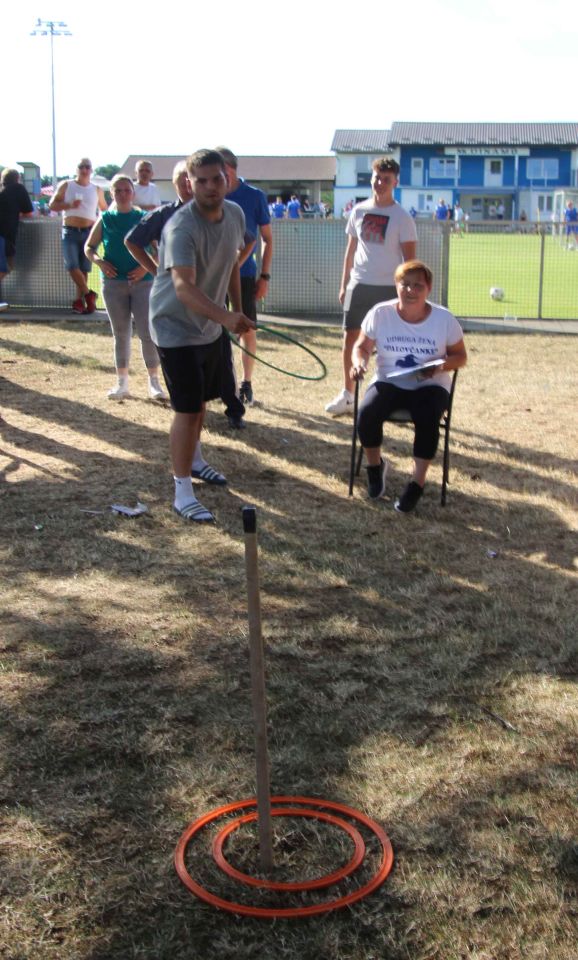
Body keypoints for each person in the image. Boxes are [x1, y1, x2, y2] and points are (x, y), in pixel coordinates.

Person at [148, 148, 256, 523]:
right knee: (186, 408)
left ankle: (195, 460)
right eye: (201, 181)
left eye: (217, 178)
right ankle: (181, 491)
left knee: (202, 401)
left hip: (210, 323)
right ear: (189, 184)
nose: (210, 187)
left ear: (227, 178)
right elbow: (183, 288)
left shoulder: (236, 215)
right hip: (174, 326)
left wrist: (237, 313)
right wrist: (226, 316)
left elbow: (229, 267)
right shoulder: (181, 226)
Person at [351, 259, 467, 512]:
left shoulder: (444, 319)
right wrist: (359, 362)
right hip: (389, 380)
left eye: (418, 286)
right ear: (396, 286)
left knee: (427, 416)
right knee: (367, 413)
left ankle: (417, 483)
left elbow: (461, 356)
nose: (411, 291)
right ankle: (375, 467)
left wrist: (439, 366)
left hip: (430, 384)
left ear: (428, 289)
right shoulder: (380, 313)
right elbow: (361, 346)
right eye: (405, 284)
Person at [325, 157, 417, 417]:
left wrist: (408, 294)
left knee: (391, 344)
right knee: (350, 339)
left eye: (386, 179)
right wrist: (345, 284)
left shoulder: (402, 218)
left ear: (395, 182)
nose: (380, 183)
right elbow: (350, 251)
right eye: (376, 177)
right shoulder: (359, 211)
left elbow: (410, 261)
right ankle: (348, 394)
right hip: (360, 285)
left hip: (389, 288)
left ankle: (393, 395)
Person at [84, 175, 165, 400]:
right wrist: (99, 262)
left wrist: (145, 268)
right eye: (117, 191)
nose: (122, 194)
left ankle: (154, 383)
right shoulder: (106, 219)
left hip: (143, 284)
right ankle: (122, 383)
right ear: (112, 194)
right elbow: (89, 247)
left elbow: (155, 250)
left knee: (147, 332)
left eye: (126, 190)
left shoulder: (142, 217)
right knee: (120, 333)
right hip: (113, 284)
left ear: (133, 193)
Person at [216, 146, 273, 413]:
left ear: (231, 169)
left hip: (245, 275)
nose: (216, 179)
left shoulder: (254, 196)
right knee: (213, 328)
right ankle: (220, 382)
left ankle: (246, 382)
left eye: (221, 172)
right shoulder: (210, 195)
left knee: (246, 328)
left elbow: (265, 239)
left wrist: (265, 276)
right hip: (213, 277)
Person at [49, 158, 107, 314]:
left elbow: (104, 210)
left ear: (91, 170)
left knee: (84, 269)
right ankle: (89, 295)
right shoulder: (66, 185)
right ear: (76, 169)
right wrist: (69, 205)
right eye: (82, 166)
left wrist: (101, 228)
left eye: (88, 167)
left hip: (89, 232)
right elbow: (52, 205)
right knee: (72, 265)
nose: (85, 169)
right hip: (70, 230)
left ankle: (79, 302)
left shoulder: (97, 189)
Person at [0, 169, 34, 306]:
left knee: (9, 266)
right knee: (4, 268)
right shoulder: (18, 189)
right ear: (18, 178)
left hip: (6, 236)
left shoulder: (3, 190)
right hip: (3, 235)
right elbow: (29, 212)